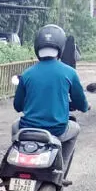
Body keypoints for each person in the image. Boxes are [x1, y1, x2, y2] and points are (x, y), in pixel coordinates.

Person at [13, 24, 89, 166]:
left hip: (27, 128)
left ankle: (18, 159)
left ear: (37, 47)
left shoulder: (27, 73)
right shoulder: (69, 72)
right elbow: (81, 102)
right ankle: (62, 167)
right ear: (61, 47)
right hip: (57, 129)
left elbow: (17, 106)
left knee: (14, 126)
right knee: (76, 128)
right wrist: (85, 107)